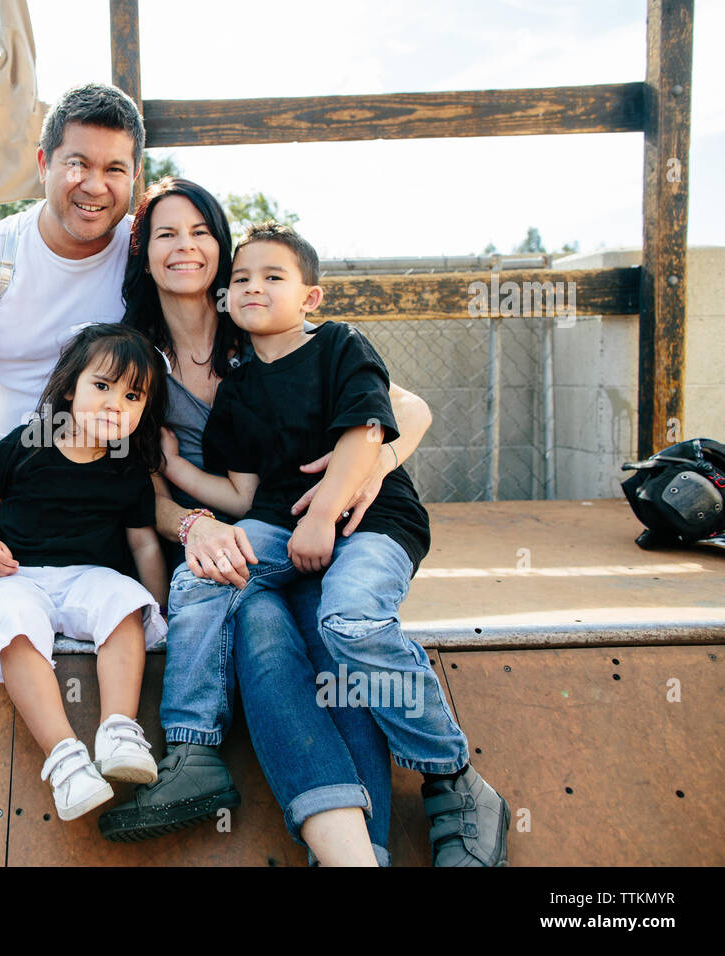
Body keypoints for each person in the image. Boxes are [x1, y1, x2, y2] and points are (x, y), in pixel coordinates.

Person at [155, 220, 511, 867]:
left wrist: (322, 515)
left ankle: (453, 777)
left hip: (370, 522)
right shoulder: (237, 389)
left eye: (273, 276)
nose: (252, 287)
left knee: (348, 620)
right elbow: (239, 495)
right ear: (225, 299)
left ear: (310, 297)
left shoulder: (340, 346)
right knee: (203, 577)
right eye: (240, 279)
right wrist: (177, 472)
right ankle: (192, 748)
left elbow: (366, 433)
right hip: (277, 521)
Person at [98, 179, 429, 866]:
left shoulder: (263, 324)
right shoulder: (134, 360)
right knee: (266, 633)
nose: (185, 246)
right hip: (230, 547)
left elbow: (409, 408)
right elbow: (137, 491)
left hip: (306, 529)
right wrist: (194, 527)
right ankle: (336, 848)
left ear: (222, 248)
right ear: (144, 252)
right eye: (165, 233)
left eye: (200, 232)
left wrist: (358, 481)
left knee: (334, 648)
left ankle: (364, 849)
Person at [0, 83, 143, 612]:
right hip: (7, 455)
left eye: (115, 168)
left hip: (111, 453)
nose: (94, 185)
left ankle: (70, 599)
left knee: (151, 569)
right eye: (77, 164)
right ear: (43, 162)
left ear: (135, 175)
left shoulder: (145, 250)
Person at [0, 324, 170, 821]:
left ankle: (119, 730)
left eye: (132, 395)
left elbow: (143, 541)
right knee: (13, 629)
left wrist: (160, 606)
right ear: (69, 388)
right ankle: (65, 760)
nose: (113, 403)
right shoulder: (26, 445)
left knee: (124, 602)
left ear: (144, 411)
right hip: (21, 576)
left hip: (89, 578)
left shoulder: (127, 467)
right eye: (101, 386)